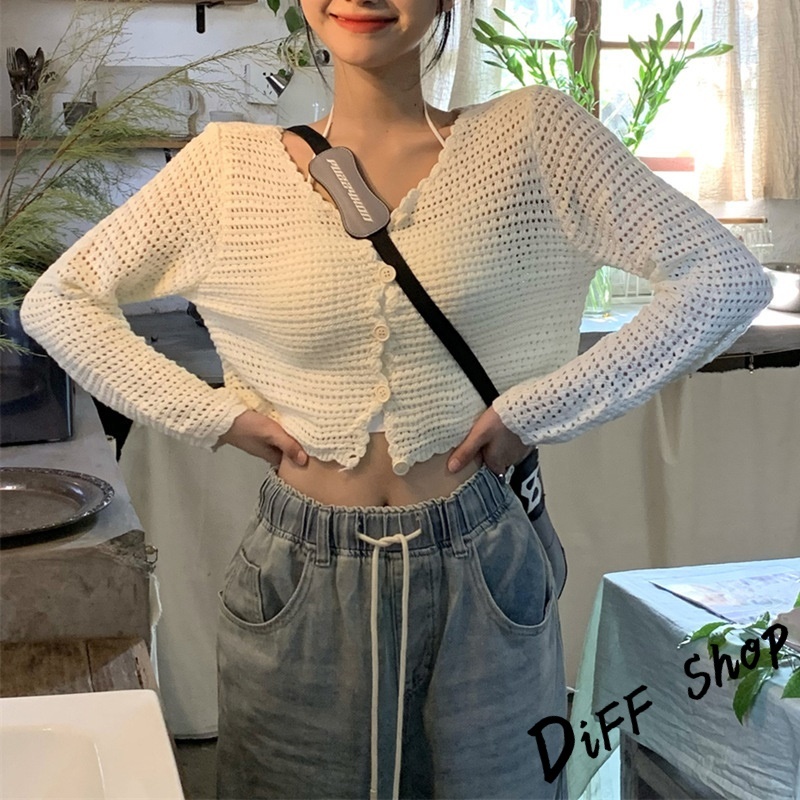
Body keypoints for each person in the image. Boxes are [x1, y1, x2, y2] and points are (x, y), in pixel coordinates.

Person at [21, 0, 771, 795]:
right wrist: (213, 416)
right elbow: (60, 301)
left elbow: (724, 278)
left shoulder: (534, 139)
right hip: (298, 578)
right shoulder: (227, 171)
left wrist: (539, 409)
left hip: (483, 567)